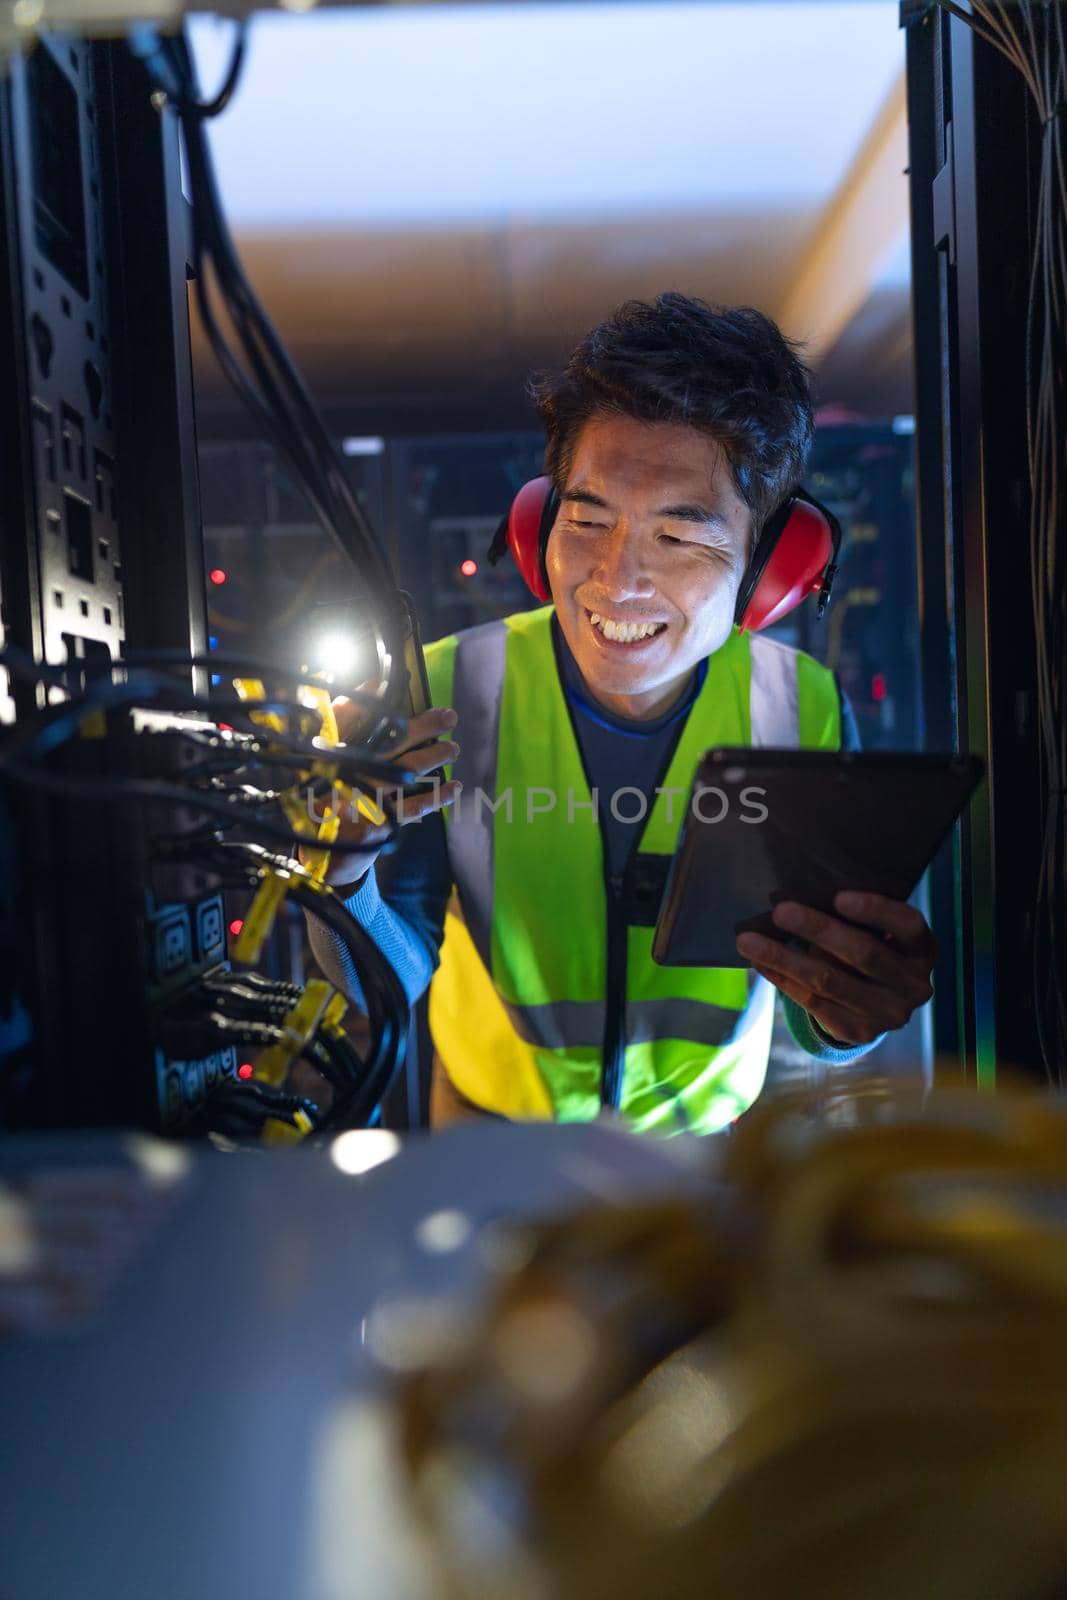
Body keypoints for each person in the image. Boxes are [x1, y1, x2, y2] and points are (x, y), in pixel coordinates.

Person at [306, 294, 938, 1133]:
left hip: (703, 1160)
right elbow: (383, 978)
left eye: (679, 538)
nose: (615, 579)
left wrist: (843, 1017)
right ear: (538, 527)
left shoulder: (800, 707)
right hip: (491, 1131)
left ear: (768, 569)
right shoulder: (448, 689)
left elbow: (815, 1014)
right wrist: (341, 874)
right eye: (588, 518)